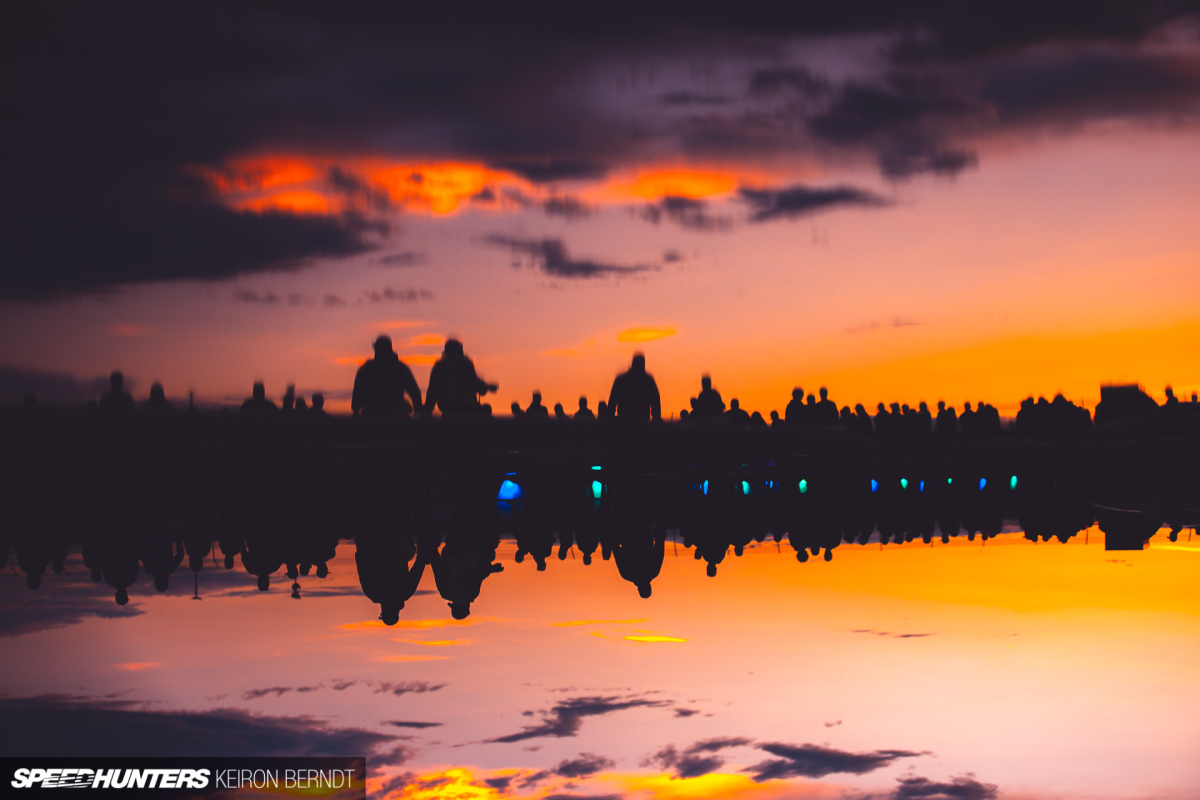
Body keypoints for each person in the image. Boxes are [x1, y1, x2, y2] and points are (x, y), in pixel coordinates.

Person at [423, 338, 497, 415]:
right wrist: (487, 387)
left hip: (447, 409)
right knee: (486, 410)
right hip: (468, 408)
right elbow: (474, 383)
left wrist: (428, 409)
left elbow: (432, 391)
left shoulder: (439, 366)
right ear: (460, 351)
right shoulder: (466, 363)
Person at [352, 335, 422, 416]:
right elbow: (414, 391)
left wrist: (356, 409)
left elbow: (358, 392)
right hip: (394, 415)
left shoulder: (366, 369)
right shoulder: (400, 368)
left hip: (372, 415)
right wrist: (418, 410)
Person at [607, 354, 661, 422]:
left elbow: (613, 399)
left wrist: (609, 416)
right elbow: (655, 400)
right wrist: (656, 417)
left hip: (624, 418)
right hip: (642, 419)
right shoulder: (648, 380)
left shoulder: (621, 379)